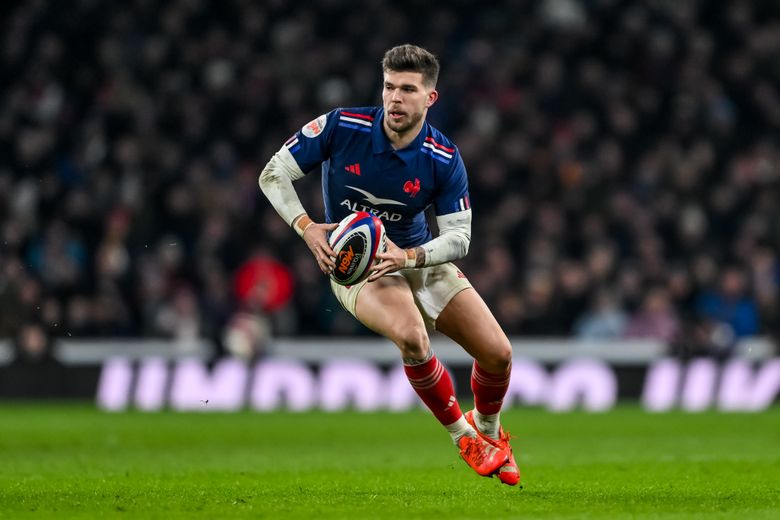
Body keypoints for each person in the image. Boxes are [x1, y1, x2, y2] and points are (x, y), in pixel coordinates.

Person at [259, 44, 518, 485]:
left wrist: (409, 256)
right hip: (358, 266)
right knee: (413, 338)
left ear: (430, 98)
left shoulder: (443, 157)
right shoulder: (342, 126)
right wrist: (307, 227)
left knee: (498, 354)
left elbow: (460, 237)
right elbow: (273, 172)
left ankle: (490, 433)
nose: (395, 98)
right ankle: (464, 438)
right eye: (389, 87)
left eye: (408, 89)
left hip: (416, 258)